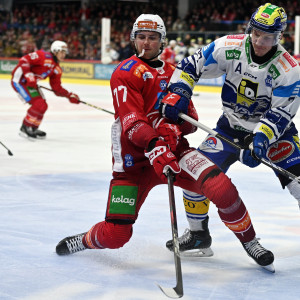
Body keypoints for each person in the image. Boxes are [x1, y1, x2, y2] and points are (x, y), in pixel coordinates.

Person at [55, 14, 274, 272]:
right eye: (141, 37)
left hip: (175, 153)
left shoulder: (174, 72)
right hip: (134, 162)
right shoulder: (124, 73)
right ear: (133, 40)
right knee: (116, 235)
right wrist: (156, 142)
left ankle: (250, 241)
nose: (146, 43)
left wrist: (173, 127)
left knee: (221, 187)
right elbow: (132, 123)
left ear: (163, 41)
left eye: (153, 37)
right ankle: (84, 240)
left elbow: (191, 120)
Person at [159, 3, 300, 255]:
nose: (259, 41)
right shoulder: (229, 45)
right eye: (256, 33)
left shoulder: (289, 69)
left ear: (279, 37)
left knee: (299, 183)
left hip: (275, 135)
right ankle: (198, 234)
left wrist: (261, 140)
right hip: (229, 128)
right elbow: (191, 65)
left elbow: (280, 114)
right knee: (193, 177)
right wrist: (179, 91)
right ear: (249, 28)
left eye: (268, 37)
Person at [11, 40, 80, 139]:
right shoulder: (42, 55)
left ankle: (33, 127)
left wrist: (69, 95)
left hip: (31, 84)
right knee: (38, 104)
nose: (64, 54)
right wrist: (29, 75)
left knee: (43, 105)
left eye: (65, 52)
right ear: (55, 51)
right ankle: (25, 127)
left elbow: (56, 88)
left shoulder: (56, 69)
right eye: (62, 52)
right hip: (19, 81)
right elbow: (24, 60)